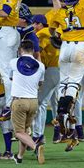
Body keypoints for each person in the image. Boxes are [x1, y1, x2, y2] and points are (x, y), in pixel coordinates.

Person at [49, 0, 84, 151]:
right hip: (80, 47)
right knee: (74, 82)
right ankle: (65, 108)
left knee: (63, 82)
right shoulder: (82, 5)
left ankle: (61, 111)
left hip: (65, 47)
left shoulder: (60, 11)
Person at [10, 40, 45, 165]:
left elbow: (10, 77)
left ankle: (36, 147)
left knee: (19, 132)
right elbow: (40, 83)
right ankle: (19, 157)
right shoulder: (41, 65)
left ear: (20, 49)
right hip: (33, 102)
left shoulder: (14, 62)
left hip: (19, 101)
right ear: (33, 50)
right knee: (24, 132)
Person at [31, 14, 60, 145]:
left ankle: (38, 135)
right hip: (57, 71)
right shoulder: (49, 32)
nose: (34, 26)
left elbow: (37, 50)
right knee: (54, 102)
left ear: (41, 24)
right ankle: (59, 129)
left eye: (35, 23)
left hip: (51, 71)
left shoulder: (43, 33)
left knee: (40, 102)